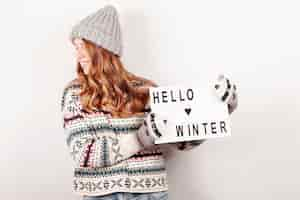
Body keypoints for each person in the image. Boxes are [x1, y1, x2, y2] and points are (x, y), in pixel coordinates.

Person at [60, 4, 239, 200]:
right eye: (75, 48)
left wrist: (216, 110)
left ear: (101, 49)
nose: (78, 56)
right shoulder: (75, 93)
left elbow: (181, 140)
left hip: (150, 195)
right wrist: (140, 139)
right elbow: (83, 153)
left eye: (82, 47)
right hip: (101, 196)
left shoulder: (145, 89)